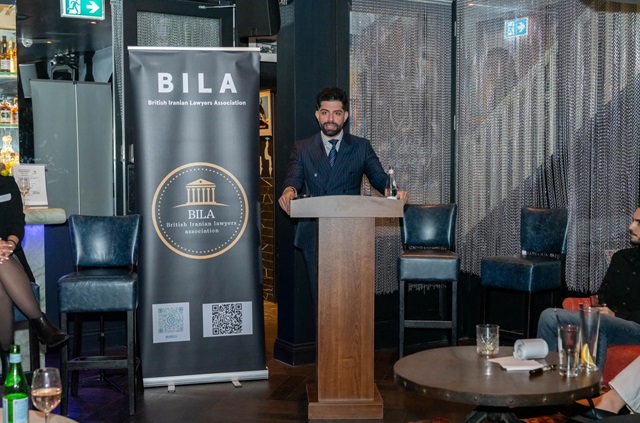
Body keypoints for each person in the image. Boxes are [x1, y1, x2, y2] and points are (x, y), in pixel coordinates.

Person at [278, 86, 408, 306]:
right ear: (317, 115)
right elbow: (293, 179)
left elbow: (379, 178)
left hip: (353, 232)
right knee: (322, 301)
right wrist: (288, 192)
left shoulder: (361, 147)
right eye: (325, 112)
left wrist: (394, 191)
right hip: (314, 233)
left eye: (336, 113)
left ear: (345, 116)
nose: (330, 119)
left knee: (353, 299)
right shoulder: (302, 148)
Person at [537, 206, 640, 370]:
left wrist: (616, 315)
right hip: (609, 322)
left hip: (635, 327)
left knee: (599, 323)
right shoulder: (621, 257)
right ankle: (549, 378)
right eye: (633, 221)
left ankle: (590, 382)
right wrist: (598, 308)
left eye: (638, 223)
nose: (631, 226)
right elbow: (601, 295)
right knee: (549, 316)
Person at [0, 170, 69, 383]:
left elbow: (16, 221)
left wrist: (9, 244)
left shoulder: (6, 183)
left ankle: (6, 358)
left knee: (1, 269)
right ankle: (41, 324)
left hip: (8, 257)